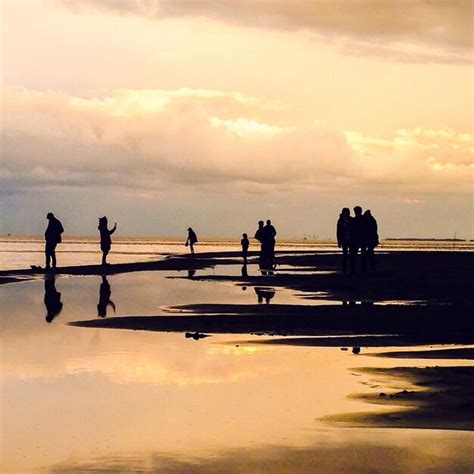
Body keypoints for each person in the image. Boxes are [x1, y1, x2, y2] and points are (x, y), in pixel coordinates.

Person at [349, 206, 365, 275]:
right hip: (361, 239)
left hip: (357, 239)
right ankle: (362, 269)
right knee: (362, 254)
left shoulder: (355, 220)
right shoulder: (364, 219)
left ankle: (354, 269)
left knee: (354, 255)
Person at [336, 207, 352, 274]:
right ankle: (345, 269)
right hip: (344, 239)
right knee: (345, 255)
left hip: (350, 239)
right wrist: (339, 242)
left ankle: (350, 269)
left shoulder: (351, 220)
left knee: (351, 255)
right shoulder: (341, 220)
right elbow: (338, 231)